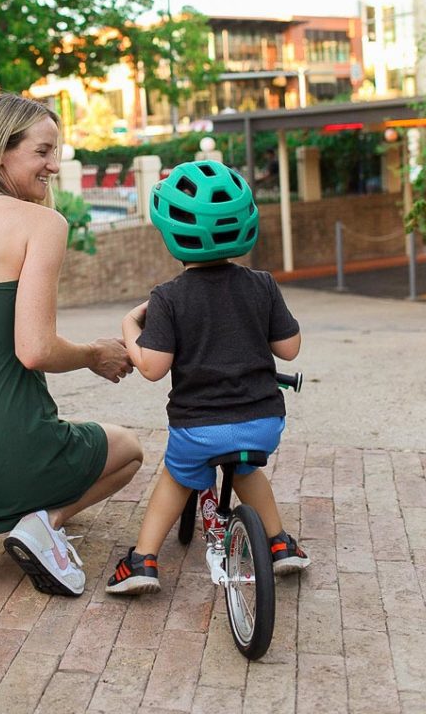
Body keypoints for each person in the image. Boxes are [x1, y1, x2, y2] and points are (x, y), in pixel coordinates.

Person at [0, 93, 142, 597]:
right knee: (128, 449)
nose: (54, 165)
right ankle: (44, 523)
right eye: (43, 151)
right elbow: (35, 350)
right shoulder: (42, 224)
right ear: (2, 150)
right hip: (15, 445)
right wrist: (94, 355)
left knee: (6, 467)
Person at [106, 160, 310, 595]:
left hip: (198, 430)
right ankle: (280, 545)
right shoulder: (262, 284)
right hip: (262, 423)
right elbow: (289, 349)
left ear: (171, 234)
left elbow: (153, 368)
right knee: (248, 468)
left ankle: (142, 561)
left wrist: (130, 326)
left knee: (178, 476)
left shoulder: (167, 297)